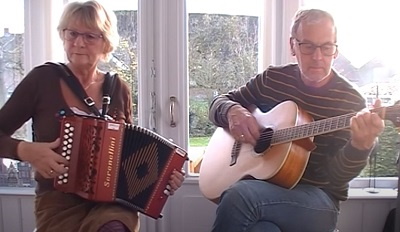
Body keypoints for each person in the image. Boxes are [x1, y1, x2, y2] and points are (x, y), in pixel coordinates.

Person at [0, 1, 184, 232]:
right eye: (72, 33)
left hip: (112, 203)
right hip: (58, 202)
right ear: (63, 35)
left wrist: (162, 177)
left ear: (105, 41)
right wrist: (24, 150)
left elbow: (131, 156)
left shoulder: (118, 88)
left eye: (89, 36)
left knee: (114, 228)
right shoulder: (42, 80)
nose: (78, 43)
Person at [208, 8, 384, 232]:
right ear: (293, 46)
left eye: (326, 47)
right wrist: (232, 111)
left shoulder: (349, 101)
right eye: (308, 46)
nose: (318, 57)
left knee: (239, 195)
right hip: (266, 190)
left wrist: (360, 146)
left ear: (336, 50)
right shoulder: (273, 79)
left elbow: (335, 178)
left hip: (318, 201)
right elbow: (218, 103)